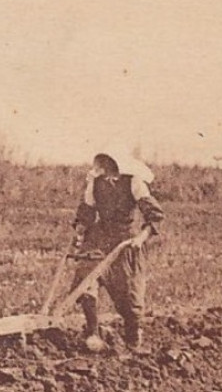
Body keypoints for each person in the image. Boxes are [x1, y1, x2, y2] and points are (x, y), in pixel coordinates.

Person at [70, 150, 165, 353]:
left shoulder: (134, 183)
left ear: (117, 164)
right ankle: (93, 333)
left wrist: (140, 238)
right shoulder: (95, 183)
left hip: (126, 241)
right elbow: (87, 211)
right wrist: (80, 230)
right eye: (100, 164)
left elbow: (154, 216)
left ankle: (132, 337)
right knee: (86, 279)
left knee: (129, 298)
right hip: (100, 237)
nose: (102, 169)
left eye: (107, 164)